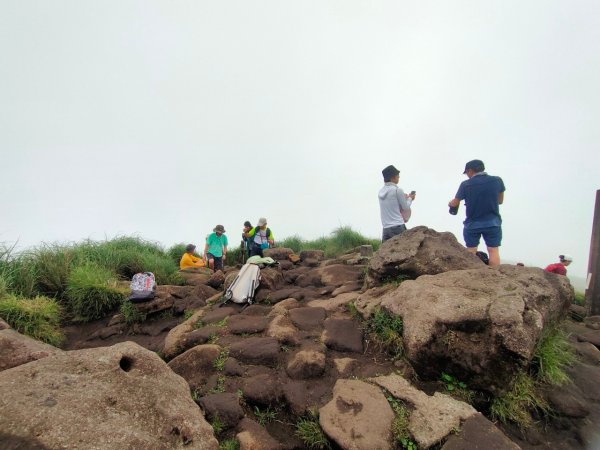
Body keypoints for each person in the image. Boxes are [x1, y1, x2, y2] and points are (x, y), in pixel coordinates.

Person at [448, 159, 505, 267]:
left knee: (471, 250)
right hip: (493, 222)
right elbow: (500, 201)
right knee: (493, 250)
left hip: (472, 223)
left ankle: (470, 275)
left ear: (470, 170)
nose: (467, 175)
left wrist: (450, 204)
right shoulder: (497, 180)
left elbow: (455, 203)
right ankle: (495, 277)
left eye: (466, 173)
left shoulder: (466, 184)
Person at [378, 165, 415, 242]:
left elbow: (391, 204)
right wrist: (410, 198)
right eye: (398, 176)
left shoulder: (380, 192)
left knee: (386, 252)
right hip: (398, 226)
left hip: (386, 228)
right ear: (393, 177)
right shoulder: (397, 190)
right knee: (404, 250)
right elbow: (405, 207)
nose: (399, 178)